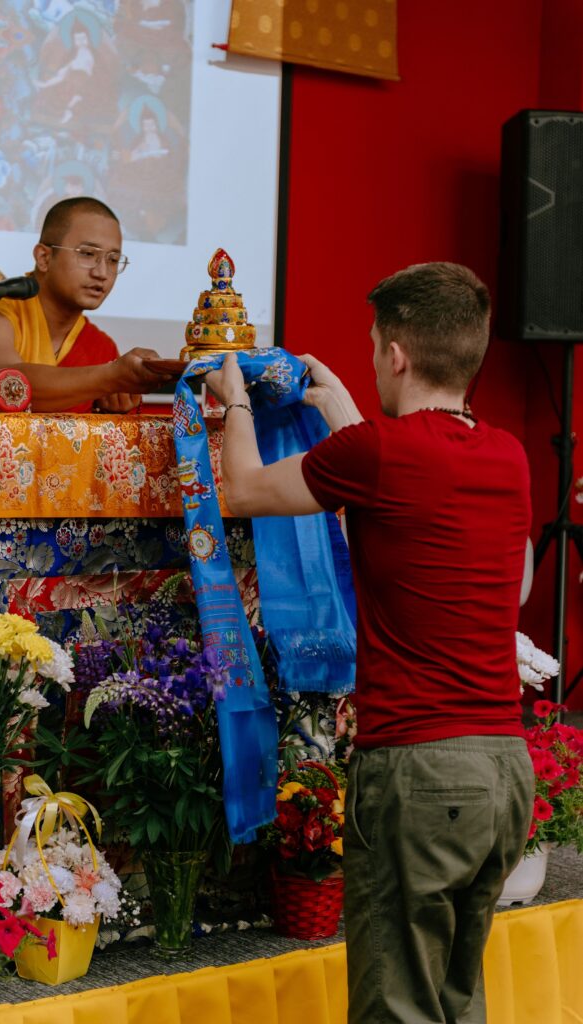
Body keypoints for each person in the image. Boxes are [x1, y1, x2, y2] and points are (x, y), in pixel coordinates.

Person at [206, 262, 534, 1024]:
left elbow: (245, 489)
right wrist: (345, 413)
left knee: (395, 1008)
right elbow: (397, 509)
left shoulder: (379, 455)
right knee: (454, 999)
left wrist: (232, 407)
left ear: (394, 354)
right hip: (501, 770)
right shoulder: (507, 455)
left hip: (421, 769)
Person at [0, 196, 174, 412]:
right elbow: (8, 385)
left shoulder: (100, 349)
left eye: (113, 260)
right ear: (44, 258)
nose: (102, 272)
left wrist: (110, 413)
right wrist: (110, 377)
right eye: (88, 254)